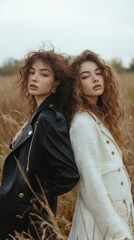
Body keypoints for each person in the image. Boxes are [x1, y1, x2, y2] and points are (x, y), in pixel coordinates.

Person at [0, 48, 79, 239]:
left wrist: (33, 201)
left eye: (44, 74)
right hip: (17, 215)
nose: (34, 78)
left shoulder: (50, 119)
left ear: (55, 84)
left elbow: (68, 174)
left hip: (28, 221)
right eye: (32, 73)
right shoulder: (40, 115)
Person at [68, 50, 134, 240]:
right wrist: (119, 234)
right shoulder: (82, 123)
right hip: (98, 229)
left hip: (116, 222)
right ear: (77, 85)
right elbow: (92, 185)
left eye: (98, 73)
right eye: (86, 76)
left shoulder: (97, 118)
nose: (95, 79)